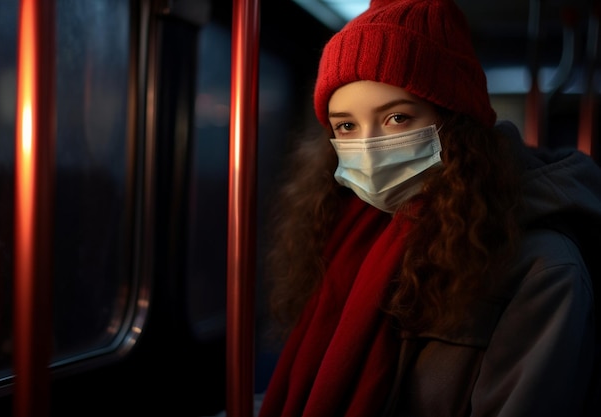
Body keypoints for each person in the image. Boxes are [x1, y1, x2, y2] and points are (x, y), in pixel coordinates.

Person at [256, 0, 601, 416]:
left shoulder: (543, 268)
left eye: (397, 118)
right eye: (346, 126)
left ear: (454, 124)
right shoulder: (349, 234)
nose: (367, 147)